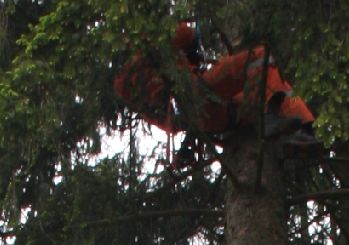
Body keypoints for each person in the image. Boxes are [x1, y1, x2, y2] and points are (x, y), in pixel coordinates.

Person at [115, 21, 319, 150]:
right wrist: (197, 33)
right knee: (258, 58)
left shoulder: (130, 84)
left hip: (213, 118)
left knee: (267, 86)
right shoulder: (152, 42)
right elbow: (187, 35)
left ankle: (298, 132)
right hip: (197, 98)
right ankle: (301, 126)